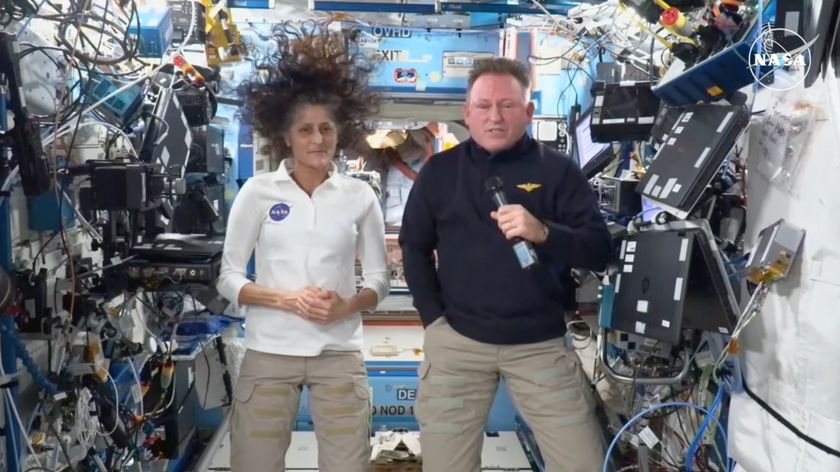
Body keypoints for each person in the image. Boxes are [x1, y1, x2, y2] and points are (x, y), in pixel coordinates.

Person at [399, 57, 611, 472]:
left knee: (583, 463)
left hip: (540, 345)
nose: (494, 116)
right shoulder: (440, 172)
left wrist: (544, 232)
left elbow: (600, 249)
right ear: (467, 112)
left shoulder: (559, 171)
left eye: (508, 105)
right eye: (483, 106)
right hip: (457, 344)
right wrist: (433, 322)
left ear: (528, 112)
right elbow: (414, 248)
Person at [216, 21, 389, 472]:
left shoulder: (359, 196)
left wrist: (345, 308)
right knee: (254, 464)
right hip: (270, 352)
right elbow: (229, 278)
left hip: (339, 354)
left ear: (340, 133)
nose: (318, 140)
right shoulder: (257, 193)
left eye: (326, 129)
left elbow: (378, 281)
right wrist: (284, 298)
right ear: (286, 137)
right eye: (306, 130)